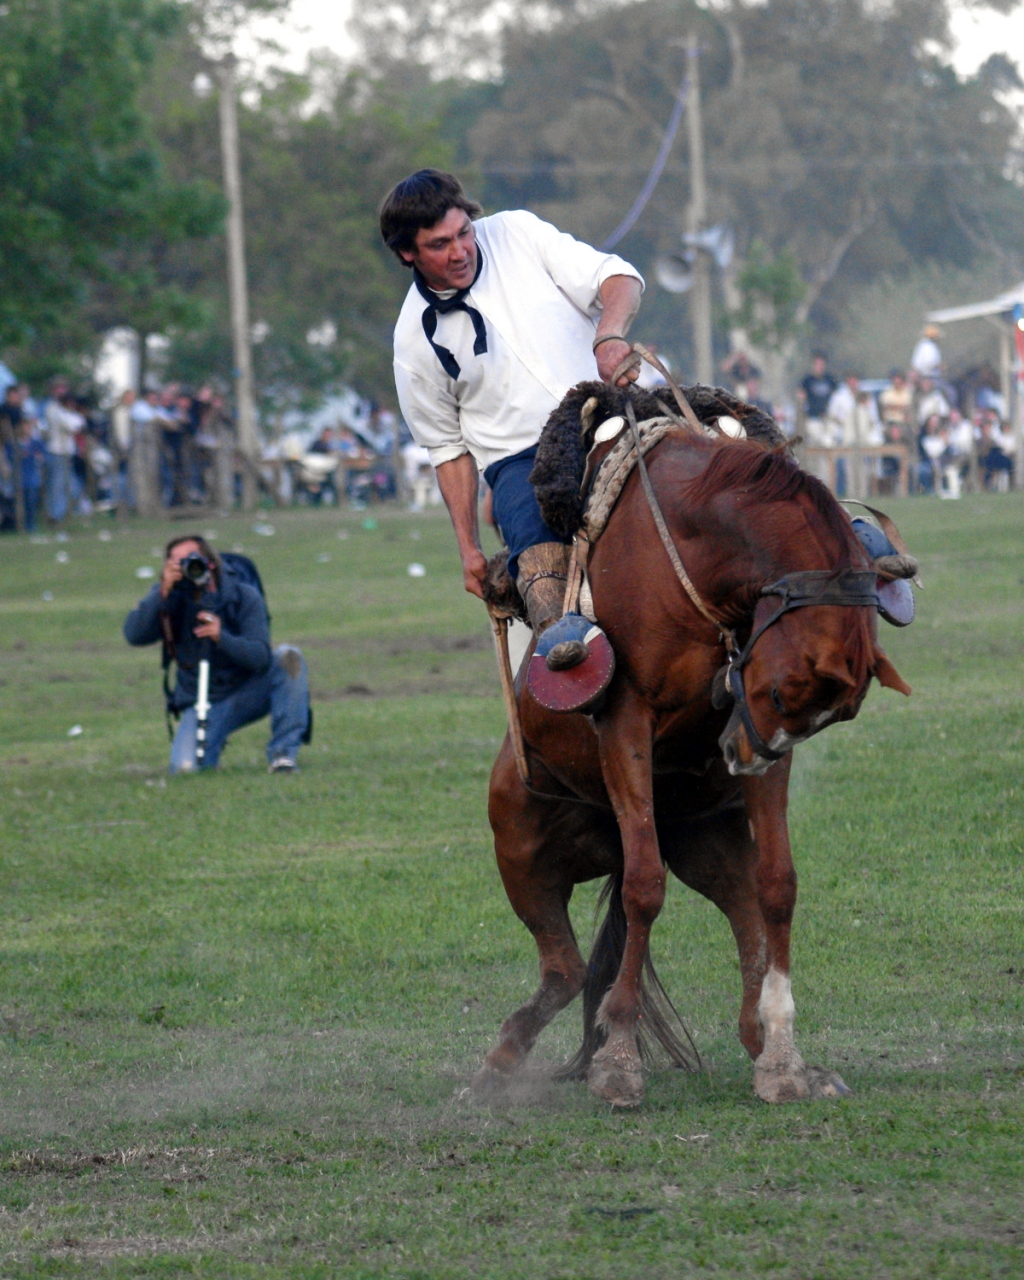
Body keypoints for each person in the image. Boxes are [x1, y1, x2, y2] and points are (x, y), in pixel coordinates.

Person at [380, 169, 643, 642]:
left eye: (464, 233)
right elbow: (447, 451)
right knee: (544, 580)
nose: (460, 251)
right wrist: (469, 549)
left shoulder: (516, 231)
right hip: (522, 464)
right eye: (440, 244)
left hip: (611, 415)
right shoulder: (412, 341)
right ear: (407, 253)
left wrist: (609, 334)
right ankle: (569, 657)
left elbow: (617, 277)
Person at [123, 535, 311, 774]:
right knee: (185, 770)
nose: (185, 567)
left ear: (210, 563)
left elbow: (261, 657)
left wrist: (223, 638)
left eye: (191, 559)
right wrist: (161, 593)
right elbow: (134, 635)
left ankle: (283, 755)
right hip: (203, 701)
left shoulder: (242, 595)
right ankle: (211, 740)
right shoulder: (169, 598)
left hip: (249, 690)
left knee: (289, 657)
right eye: (176, 562)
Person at [797, 351, 837, 446]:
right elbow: (800, 396)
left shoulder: (830, 380)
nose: (819, 366)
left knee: (831, 439)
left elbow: (836, 397)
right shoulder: (807, 380)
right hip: (813, 417)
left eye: (821, 364)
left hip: (828, 417)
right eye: (817, 364)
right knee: (819, 439)